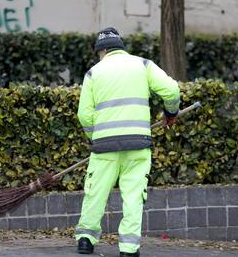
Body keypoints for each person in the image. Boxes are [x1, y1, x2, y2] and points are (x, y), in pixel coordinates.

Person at [75, 27, 180, 257]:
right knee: (133, 197)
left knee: (96, 192)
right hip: (138, 145)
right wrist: (170, 114)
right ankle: (129, 249)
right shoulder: (143, 65)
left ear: (101, 51)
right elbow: (171, 90)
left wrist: (96, 136)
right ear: (121, 47)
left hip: (104, 147)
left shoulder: (94, 73)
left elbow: (84, 115)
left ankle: (85, 239)